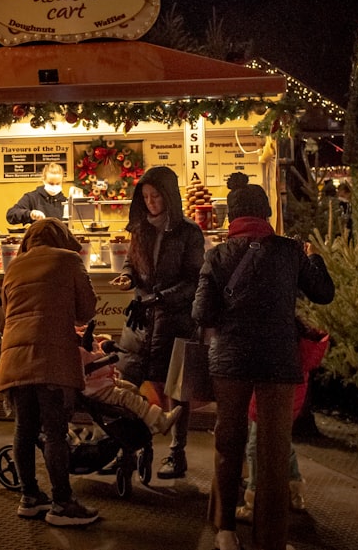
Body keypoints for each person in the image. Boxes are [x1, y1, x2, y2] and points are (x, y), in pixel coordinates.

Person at [193, 171, 334, 550]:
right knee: (273, 449)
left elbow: (203, 314)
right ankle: (272, 538)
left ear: (232, 216)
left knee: (230, 440)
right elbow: (324, 294)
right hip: (277, 360)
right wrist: (314, 259)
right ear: (267, 213)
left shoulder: (216, 255)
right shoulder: (290, 251)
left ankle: (225, 530)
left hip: (230, 361)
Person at [0, 218, 100, 526]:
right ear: (62, 238)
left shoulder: (13, 266)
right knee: (54, 430)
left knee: (24, 429)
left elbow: (8, 310)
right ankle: (63, 503)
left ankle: (29, 497)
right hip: (51, 355)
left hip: (15, 355)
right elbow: (87, 310)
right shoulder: (69, 259)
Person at [111, 165, 204, 479]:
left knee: (176, 389)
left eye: (156, 196)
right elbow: (131, 263)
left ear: (169, 197)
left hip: (174, 321)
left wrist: (161, 297)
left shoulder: (189, 232)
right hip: (140, 321)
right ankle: (127, 449)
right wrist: (126, 277)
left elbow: (195, 281)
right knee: (128, 383)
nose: (151, 202)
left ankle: (177, 453)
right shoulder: (140, 229)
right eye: (146, 197)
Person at [236, 319, 330, 521]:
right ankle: (294, 486)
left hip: (267, 397)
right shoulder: (298, 348)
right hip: (285, 399)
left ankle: (253, 500)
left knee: (254, 447)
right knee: (282, 442)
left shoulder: (278, 341)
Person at [77, 320, 183, 436]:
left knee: (131, 387)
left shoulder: (79, 333)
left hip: (101, 380)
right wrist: (89, 349)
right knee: (126, 397)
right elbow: (84, 358)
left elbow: (95, 346)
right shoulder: (71, 341)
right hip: (94, 387)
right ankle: (159, 420)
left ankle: (145, 421)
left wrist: (103, 344)